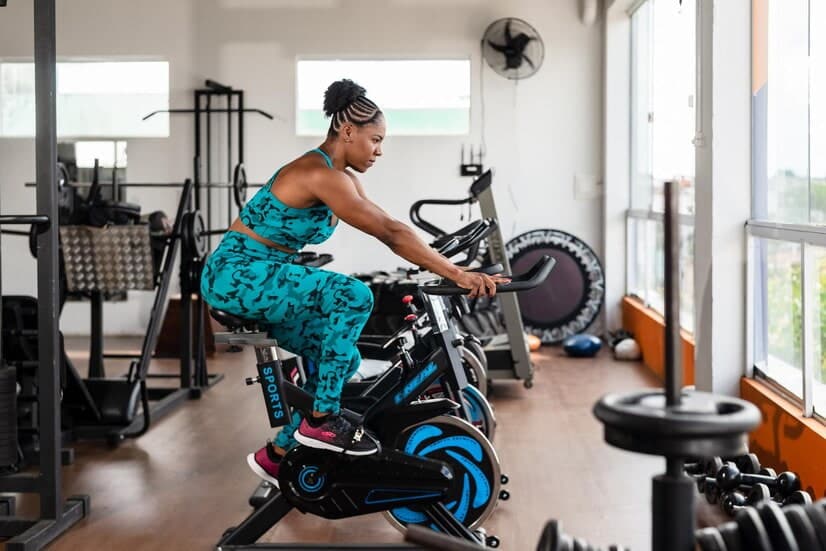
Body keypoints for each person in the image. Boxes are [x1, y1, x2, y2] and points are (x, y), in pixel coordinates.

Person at [200, 79, 508, 487]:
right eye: (375, 140)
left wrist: (444, 263)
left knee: (343, 362)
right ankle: (322, 422)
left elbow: (393, 227)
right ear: (348, 132)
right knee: (354, 295)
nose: (379, 150)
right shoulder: (317, 172)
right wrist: (457, 274)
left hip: (260, 274)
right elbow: (390, 233)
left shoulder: (343, 177)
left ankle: (277, 454)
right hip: (236, 274)